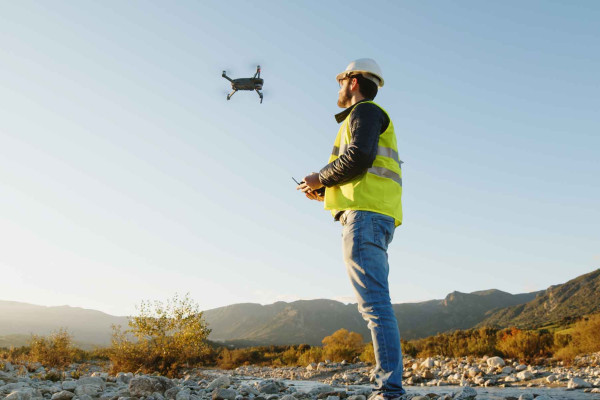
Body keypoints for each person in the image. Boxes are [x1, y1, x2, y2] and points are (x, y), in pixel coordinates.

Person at [296, 58, 405, 400]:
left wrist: (320, 177)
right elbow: (360, 166)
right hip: (375, 215)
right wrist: (326, 191)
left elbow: (359, 156)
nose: (339, 88)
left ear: (354, 81)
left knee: (374, 305)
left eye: (341, 81)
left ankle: (389, 390)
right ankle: (389, 387)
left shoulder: (365, 112)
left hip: (365, 216)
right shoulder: (368, 115)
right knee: (376, 303)